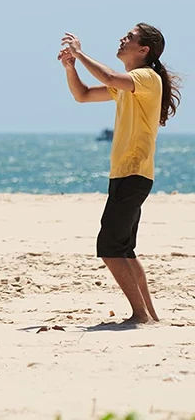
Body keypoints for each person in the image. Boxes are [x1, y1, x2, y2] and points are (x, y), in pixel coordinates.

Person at [58, 24, 181, 325]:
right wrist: (70, 67)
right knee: (125, 249)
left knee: (110, 248)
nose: (122, 40)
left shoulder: (146, 77)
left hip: (133, 173)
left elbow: (110, 76)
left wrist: (80, 52)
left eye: (129, 38)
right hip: (128, 174)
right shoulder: (130, 83)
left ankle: (140, 315)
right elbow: (83, 95)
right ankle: (149, 314)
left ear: (144, 50)